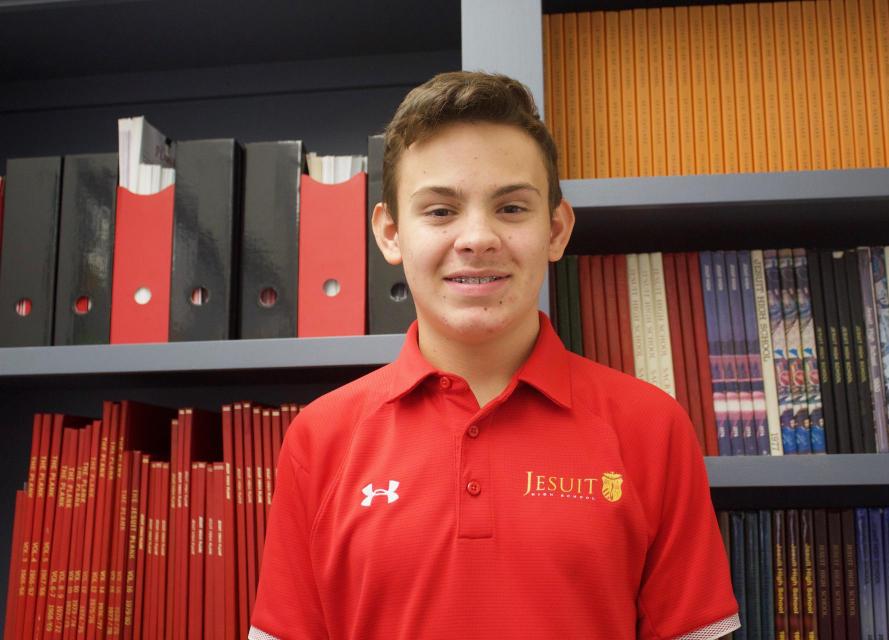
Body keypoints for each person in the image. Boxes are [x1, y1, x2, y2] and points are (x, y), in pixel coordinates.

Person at [250, 71, 740, 640]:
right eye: (439, 211)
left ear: (556, 229)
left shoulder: (653, 429)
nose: (477, 237)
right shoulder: (320, 438)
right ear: (389, 234)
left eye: (511, 209)